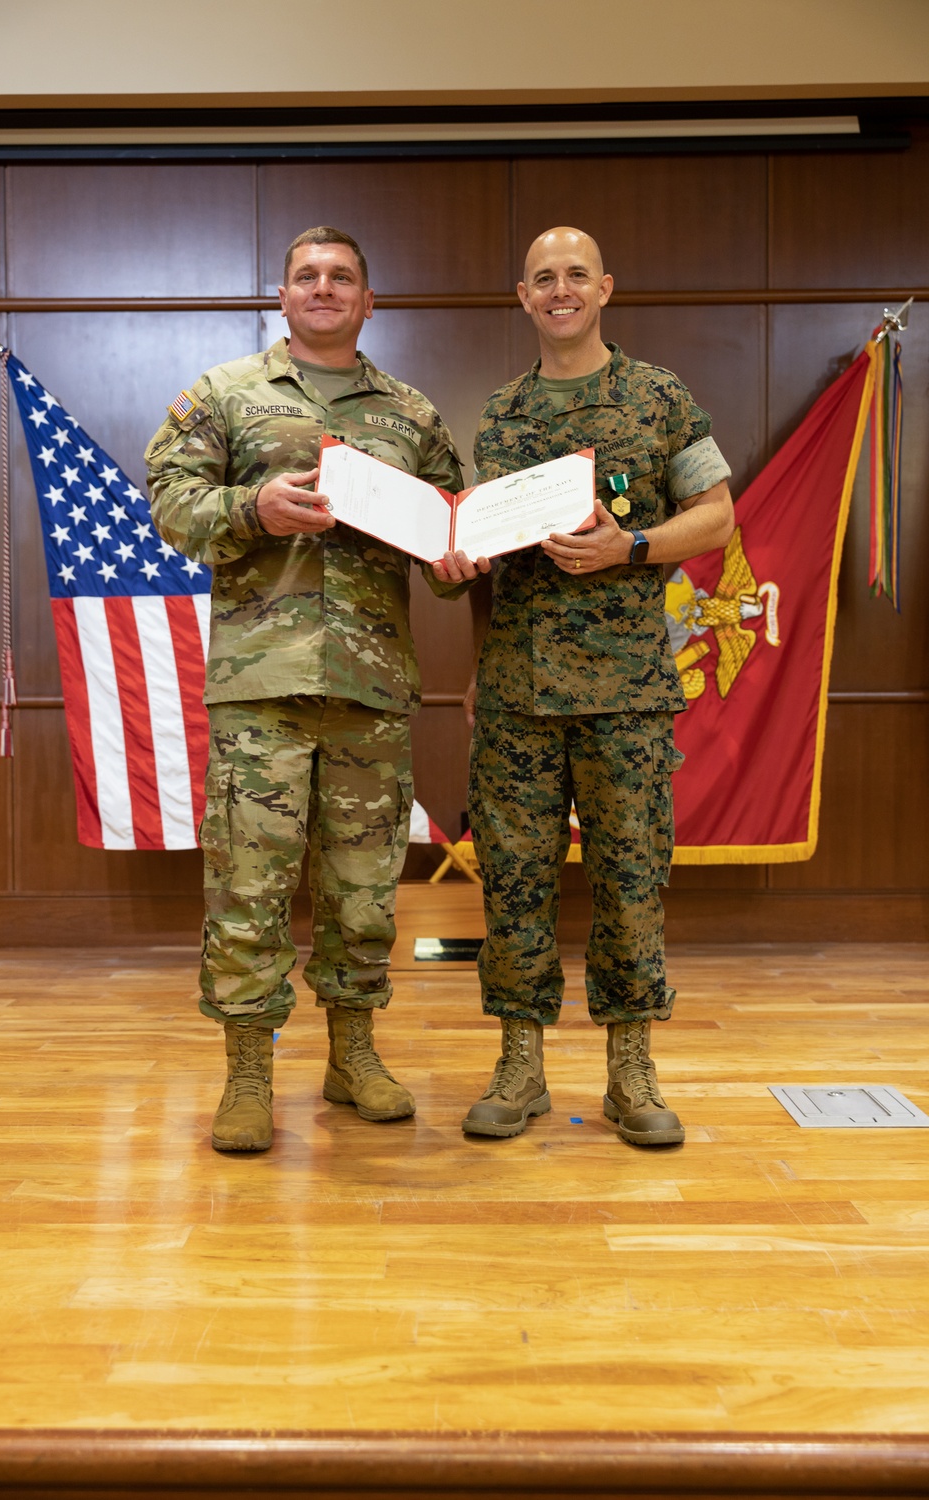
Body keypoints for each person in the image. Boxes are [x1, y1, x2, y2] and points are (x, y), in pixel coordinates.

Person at [146, 226, 462, 1154]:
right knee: (249, 887)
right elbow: (169, 503)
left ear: (370, 302)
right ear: (281, 297)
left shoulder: (410, 414)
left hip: (371, 686)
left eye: (343, 278)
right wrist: (254, 507)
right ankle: (248, 1074)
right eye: (306, 276)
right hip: (261, 682)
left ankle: (353, 1054)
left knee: (364, 892)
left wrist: (458, 554)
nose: (324, 289)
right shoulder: (225, 396)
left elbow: (448, 539)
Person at [431, 226, 735, 1145]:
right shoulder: (501, 414)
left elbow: (717, 517)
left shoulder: (655, 396)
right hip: (520, 694)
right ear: (522, 297)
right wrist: (478, 654)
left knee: (631, 878)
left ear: (605, 288)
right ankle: (520, 1065)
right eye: (541, 279)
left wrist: (631, 546)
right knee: (515, 883)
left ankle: (630, 1068)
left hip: (628, 692)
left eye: (575, 275)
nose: (559, 290)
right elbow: (486, 554)